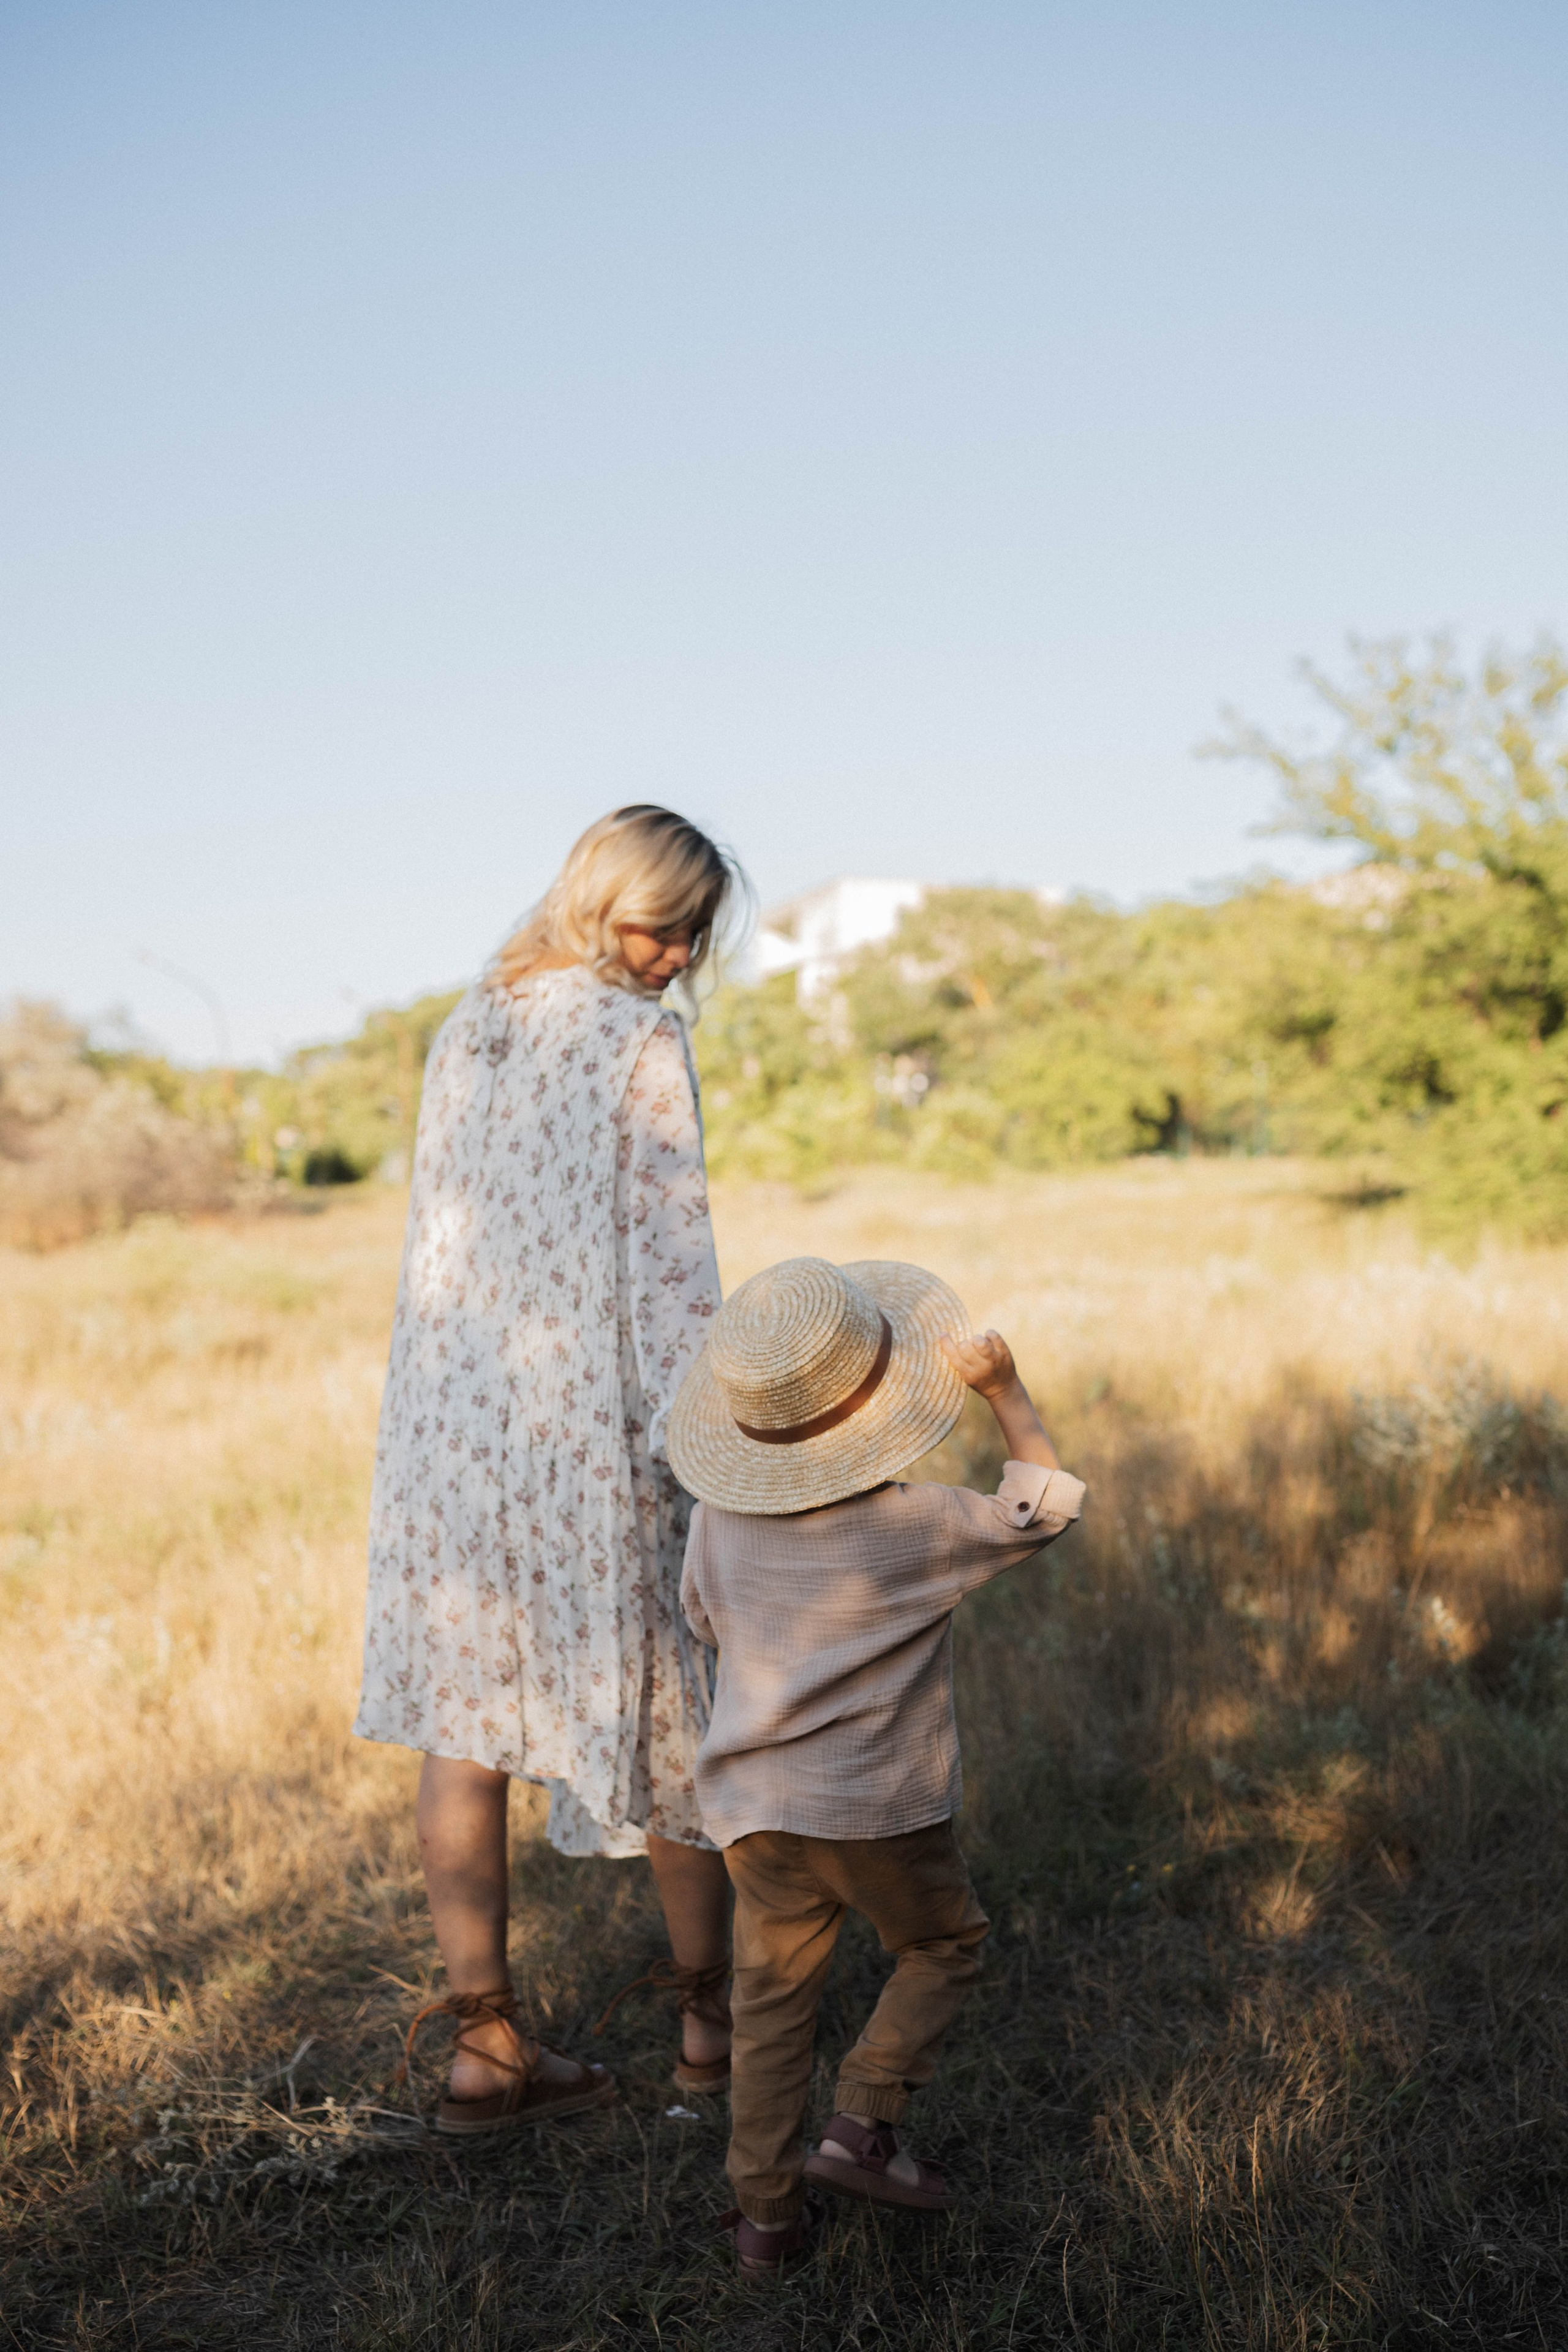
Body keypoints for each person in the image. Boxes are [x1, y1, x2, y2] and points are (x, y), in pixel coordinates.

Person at [354, 805, 746, 2133]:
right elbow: (675, 1273)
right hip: (595, 1429)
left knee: (463, 1729)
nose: (676, 959)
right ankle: (709, 2034)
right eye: (660, 928)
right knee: (674, 1714)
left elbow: (439, 1246)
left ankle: (489, 2054)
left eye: (696, 937)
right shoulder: (640, 1041)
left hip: (455, 1430)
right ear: (597, 900)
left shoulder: (468, 1027)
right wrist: (712, 1444)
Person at [668, 1254, 1085, 2278]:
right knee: (942, 1944)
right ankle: (863, 2120)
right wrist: (1005, 1390)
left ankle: (766, 2222)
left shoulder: (716, 1519)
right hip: (879, 1810)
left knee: (771, 2008)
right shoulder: (918, 1523)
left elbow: (701, 1621)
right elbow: (1044, 1506)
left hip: (756, 1810)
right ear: (883, 1407)